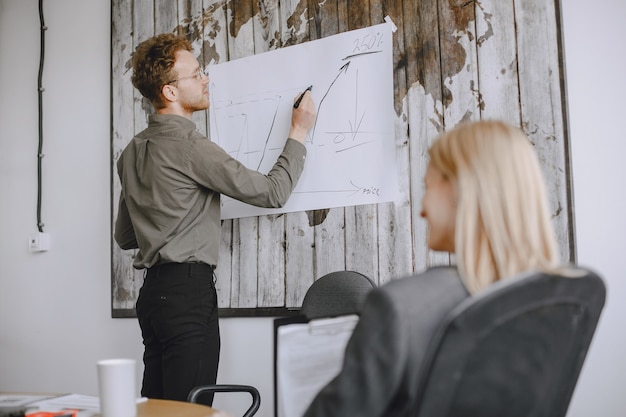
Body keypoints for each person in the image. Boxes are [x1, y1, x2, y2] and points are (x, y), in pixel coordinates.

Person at [302, 120, 560, 417]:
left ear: (463, 190)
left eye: (427, 187)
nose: (422, 209)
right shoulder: (553, 301)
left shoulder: (401, 306)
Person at [113, 33, 316, 405]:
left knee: (156, 407)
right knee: (189, 409)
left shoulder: (130, 153)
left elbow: (126, 237)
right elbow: (273, 192)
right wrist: (299, 130)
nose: (205, 79)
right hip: (188, 293)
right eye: (196, 74)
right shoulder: (192, 147)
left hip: (152, 300)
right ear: (170, 92)